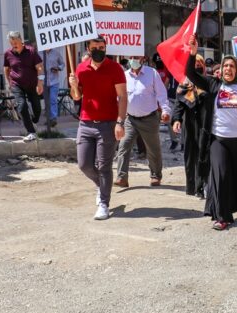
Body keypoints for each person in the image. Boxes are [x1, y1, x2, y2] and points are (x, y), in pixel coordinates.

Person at [187, 36, 237, 231]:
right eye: (225, 66)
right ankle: (222, 216)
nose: (228, 69)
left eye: (232, 66)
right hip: (219, 139)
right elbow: (190, 74)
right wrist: (192, 53)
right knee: (221, 174)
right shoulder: (214, 85)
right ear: (221, 69)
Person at [68, 35, 128, 220]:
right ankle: (100, 185)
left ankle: (104, 203)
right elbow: (77, 97)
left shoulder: (115, 68)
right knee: (84, 164)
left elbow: (123, 97)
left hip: (108, 124)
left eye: (102, 47)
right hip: (85, 123)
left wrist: (120, 122)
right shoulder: (80, 68)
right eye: (95, 47)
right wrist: (73, 85)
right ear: (88, 48)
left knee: (104, 166)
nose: (99, 50)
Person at [113, 55, 172, 188]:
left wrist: (165, 111)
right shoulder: (124, 75)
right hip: (130, 119)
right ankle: (122, 177)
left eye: (136, 57)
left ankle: (155, 175)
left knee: (153, 149)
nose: (133, 60)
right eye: (131, 57)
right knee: (123, 147)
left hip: (149, 119)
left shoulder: (152, 73)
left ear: (143, 59)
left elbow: (161, 94)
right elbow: (119, 97)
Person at [172, 55, 208, 198]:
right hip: (189, 124)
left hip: (205, 124)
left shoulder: (208, 82)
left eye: (200, 63)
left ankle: (201, 187)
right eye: (195, 63)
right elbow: (178, 104)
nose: (197, 66)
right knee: (189, 156)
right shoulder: (184, 84)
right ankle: (191, 186)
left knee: (202, 155)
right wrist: (176, 119)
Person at [3, 31, 44, 141]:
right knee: (21, 106)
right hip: (17, 84)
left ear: (21, 40)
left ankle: (34, 120)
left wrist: (40, 83)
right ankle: (31, 131)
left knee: (37, 107)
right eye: (12, 43)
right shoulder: (8, 53)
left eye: (16, 42)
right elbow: (6, 69)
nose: (14, 45)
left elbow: (39, 67)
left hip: (32, 83)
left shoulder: (31, 51)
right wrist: (9, 82)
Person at [40, 48, 64, 128]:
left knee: (53, 99)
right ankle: (48, 119)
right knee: (47, 101)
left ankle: (53, 118)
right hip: (44, 81)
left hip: (54, 81)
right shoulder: (39, 53)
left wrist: (58, 68)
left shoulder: (56, 52)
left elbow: (62, 64)